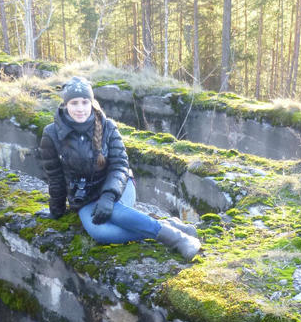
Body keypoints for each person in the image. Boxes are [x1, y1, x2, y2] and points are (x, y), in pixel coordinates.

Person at [39, 76, 201, 261]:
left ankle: (177, 240)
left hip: (119, 187)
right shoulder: (51, 134)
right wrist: (56, 211)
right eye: (74, 103)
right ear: (65, 104)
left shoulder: (107, 127)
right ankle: (167, 225)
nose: (80, 108)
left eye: (85, 102)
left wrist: (108, 196)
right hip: (85, 199)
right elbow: (56, 177)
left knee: (115, 211)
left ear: (91, 102)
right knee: (101, 233)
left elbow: (120, 166)